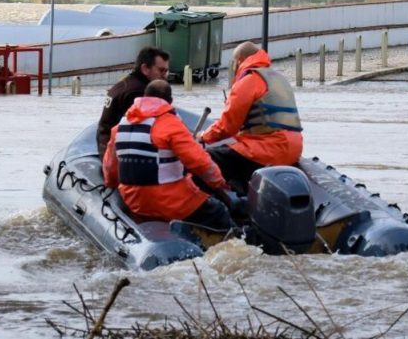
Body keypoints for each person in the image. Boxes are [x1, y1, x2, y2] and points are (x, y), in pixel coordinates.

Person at [102, 79, 234, 230]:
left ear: (144, 97)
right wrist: (221, 184)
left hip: (134, 202)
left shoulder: (119, 127)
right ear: (170, 101)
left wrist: (111, 185)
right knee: (218, 211)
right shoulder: (171, 125)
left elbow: (110, 169)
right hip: (170, 203)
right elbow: (201, 163)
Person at [198, 41, 303, 193]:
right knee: (234, 154)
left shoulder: (248, 81)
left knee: (203, 159)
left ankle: (216, 202)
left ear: (239, 61)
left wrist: (203, 136)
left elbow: (227, 127)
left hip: (266, 152)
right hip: (293, 150)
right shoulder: (278, 79)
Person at [97, 47, 170, 159]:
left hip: (105, 146)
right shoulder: (138, 93)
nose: (165, 75)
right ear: (145, 69)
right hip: (118, 154)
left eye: (166, 71)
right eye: (161, 70)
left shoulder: (123, 85)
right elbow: (146, 129)